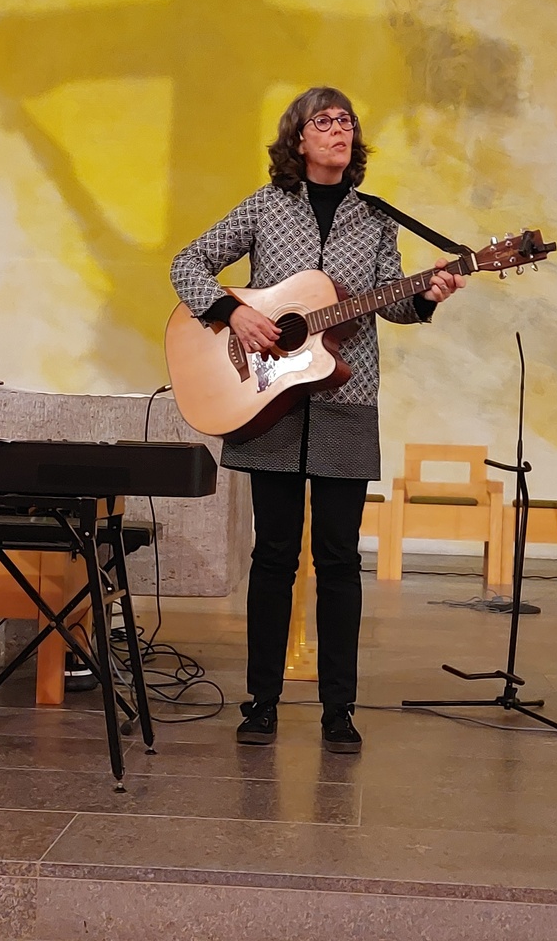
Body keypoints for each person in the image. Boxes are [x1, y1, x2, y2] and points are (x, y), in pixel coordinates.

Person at [170, 86, 465, 753]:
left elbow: (392, 303)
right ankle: (261, 703)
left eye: (346, 120)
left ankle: (339, 709)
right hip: (265, 400)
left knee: (339, 559)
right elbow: (187, 264)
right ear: (298, 139)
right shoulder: (265, 205)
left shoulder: (376, 218)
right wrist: (234, 313)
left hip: (346, 403)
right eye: (323, 120)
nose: (339, 128)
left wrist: (428, 296)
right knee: (273, 555)